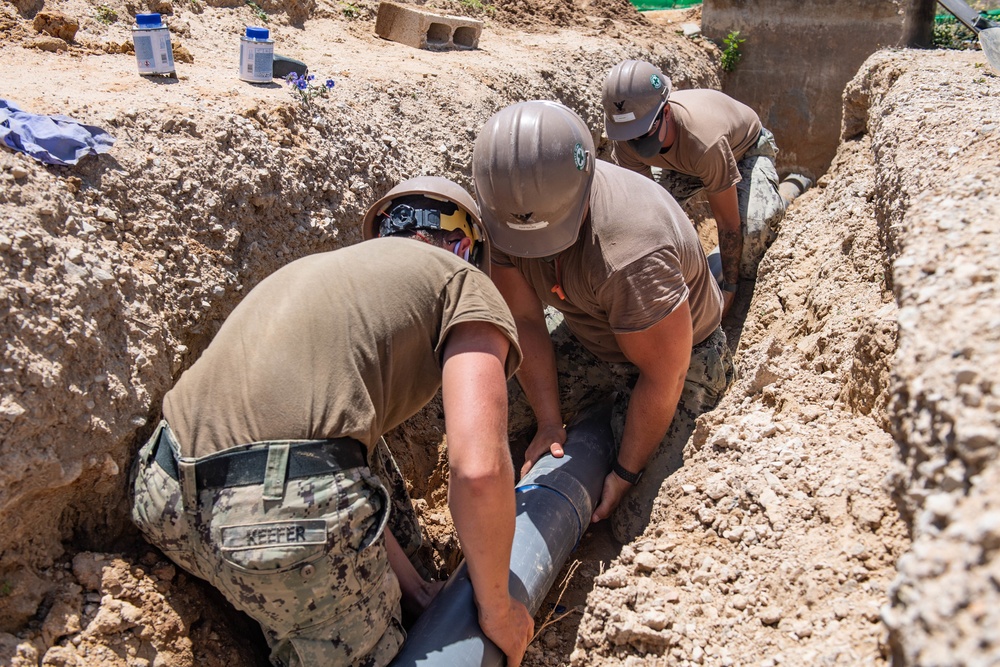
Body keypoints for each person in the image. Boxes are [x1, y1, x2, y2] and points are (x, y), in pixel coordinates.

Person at [130, 176, 533, 667]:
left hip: (164, 496)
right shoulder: (463, 280)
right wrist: (497, 609)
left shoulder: (333, 278)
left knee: (360, 452)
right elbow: (480, 471)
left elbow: (325, 455)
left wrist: (411, 589)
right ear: (467, 247)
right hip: (278, 523)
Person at [472, 100, 735, 544]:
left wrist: (624, 473)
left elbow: (663, 374)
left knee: (636, 522)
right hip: (594, 333)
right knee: (498, 410)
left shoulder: (633, 251)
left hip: (682, 359)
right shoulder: (506, 208)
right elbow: (524, 320)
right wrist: (550, 422)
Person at [602, 59, 803, 315]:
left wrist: (729, 288)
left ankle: (782, 200)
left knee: (753, 225)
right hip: (684, 164)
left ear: (665, 113)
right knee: (659, 218)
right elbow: (643, 213)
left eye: (643, 134)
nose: (635, 143)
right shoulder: (626, 136)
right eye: (629, 136)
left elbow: (727, 221)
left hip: (743, 152)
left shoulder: (704, 140)